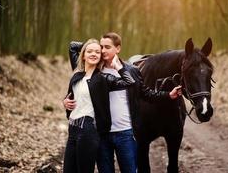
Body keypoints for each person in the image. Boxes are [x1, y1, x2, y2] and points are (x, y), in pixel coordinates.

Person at [64, 33, 182, 173]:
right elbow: (73, 48)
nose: (102, 51)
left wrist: (168, 95)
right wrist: (92, 46)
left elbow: (146, 93)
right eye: (101, 47)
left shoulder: (131, 70)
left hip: (125, 134)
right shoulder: (95, 70)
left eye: (107, 47)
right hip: (102, 134)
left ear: (118, 48)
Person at [62, 39, 135, 173]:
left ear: (101, 56)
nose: (93, 54)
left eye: (97, 52)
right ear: (83, 55)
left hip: (88, 130)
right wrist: (65, 102)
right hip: (72, 129)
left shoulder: (103, 79)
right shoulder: (77, 75)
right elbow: (72, 45)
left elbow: (130, 82)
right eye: (89, 51)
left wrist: (118, 66)